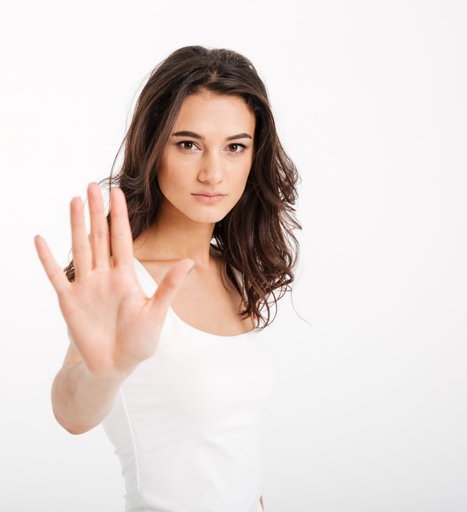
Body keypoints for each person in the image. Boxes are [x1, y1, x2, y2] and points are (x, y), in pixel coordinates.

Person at [34, 45, 301, 512]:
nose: (212, 171)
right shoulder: (121, 280)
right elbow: (72, 412)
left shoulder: (234, 272)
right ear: (153, 148)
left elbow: (231, 460)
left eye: (234, 146)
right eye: (188, 144)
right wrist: (106, 371)